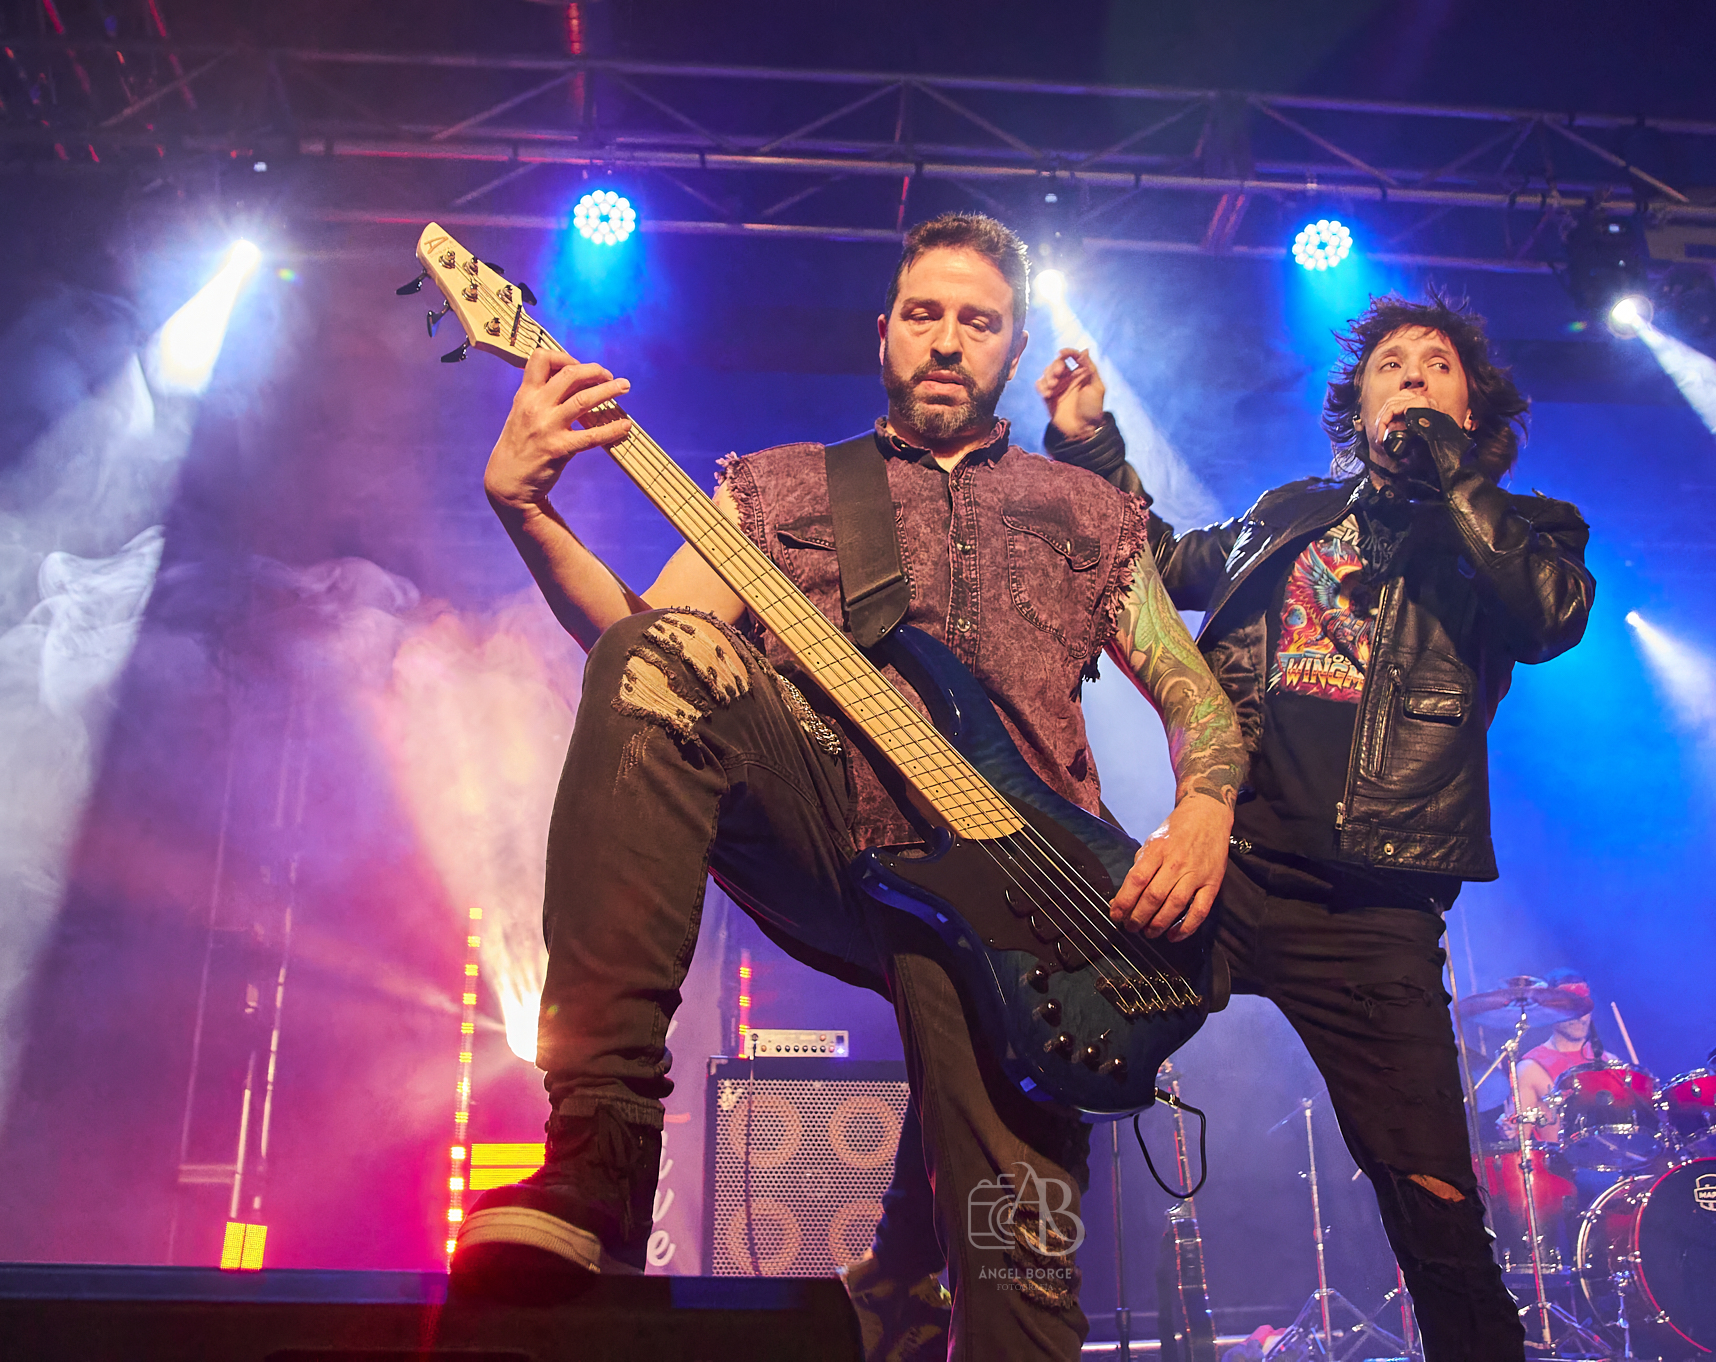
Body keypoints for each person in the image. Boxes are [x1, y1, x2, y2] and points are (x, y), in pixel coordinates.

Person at [451, 212, 1247, 1362]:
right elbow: (648, 660)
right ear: (884, 331)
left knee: (1017, 1286)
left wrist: (1204, 807)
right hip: (834, 829)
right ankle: (602, 1147)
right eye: (923, 314)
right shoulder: (779, 487)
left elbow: (1191, 693)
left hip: (1033, 906)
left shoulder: (1086, 509)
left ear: (1013, 350)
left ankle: (900, 1279)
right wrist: (527, 512)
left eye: (977, 322)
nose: (946, 340)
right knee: (659, 655)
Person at [1028, 289, 1595, 1357]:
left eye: (1435, 365)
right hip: (1228, 864)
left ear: (1469, 410)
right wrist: (1092, 444)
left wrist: (1455, 474)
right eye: (1390, 365)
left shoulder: (1526, 531)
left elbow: (1546, 618)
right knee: (1043, 1038)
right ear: (1357, 405)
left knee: (1432, 1198)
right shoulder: (1290, 513)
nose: (1411, 375)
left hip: (1373, 908)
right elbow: (1153, 562)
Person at [1505, 970, 1597, 1145]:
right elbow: (1520, 1146)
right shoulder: (1530, 1069)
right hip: (1562, 1161)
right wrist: (1509, 1131)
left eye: (1583, 1007)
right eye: (1570, 1007)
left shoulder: (1610, 1062)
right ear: (1549, 1011)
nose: (1579, 1017)